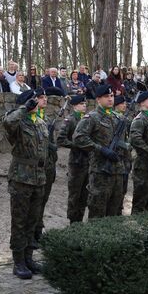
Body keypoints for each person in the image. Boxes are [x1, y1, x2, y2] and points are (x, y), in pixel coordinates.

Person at [3, 90, 48, 279]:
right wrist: (24, 108)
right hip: (22, 178)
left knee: (34, 220)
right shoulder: (18, 121)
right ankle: (18, 261)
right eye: (35, 99)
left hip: (39, 178)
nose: (38, 102)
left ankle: (29, 257)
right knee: (20, 221)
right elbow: (8, 122)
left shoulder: (40, 122)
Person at [73, 84, 124, 218]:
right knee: (97, 212)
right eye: (106, 96)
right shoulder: (92, 117)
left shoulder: (117, 118)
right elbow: (78, 138)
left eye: (112, 96)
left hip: (117, 172)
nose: (110, 99)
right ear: (98, 100)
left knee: (114, 213)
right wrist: (101, 149)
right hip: (100, 171)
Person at [34, 87, 66, 248]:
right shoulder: (31, 118)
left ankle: (38, 231)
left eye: (45, 97)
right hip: (36, 168)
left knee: (43, 201)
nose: (44, 100)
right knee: (36, 202)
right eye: (41, 97)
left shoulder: (47, 118)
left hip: (48, 166)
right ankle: (33, 233)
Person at [57, 95, 90, 223]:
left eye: (85, 103)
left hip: (88, 161)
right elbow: (61, 139)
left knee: (84, 194)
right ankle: (72, 221)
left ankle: (79, 220)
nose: (84, 105)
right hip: (76, 162)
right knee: (74, 194)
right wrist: (76, 145)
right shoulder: (70, 120)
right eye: (82, 104)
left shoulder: (87, 119)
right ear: (75, 106)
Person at [113, 94, 132, 210]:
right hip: (116, 157)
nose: (124, 105)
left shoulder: (125, 119)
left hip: (125, 159)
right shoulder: (113, 119)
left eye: (125, 103)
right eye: (122, 103)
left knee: (123, 187)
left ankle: (119, 207)